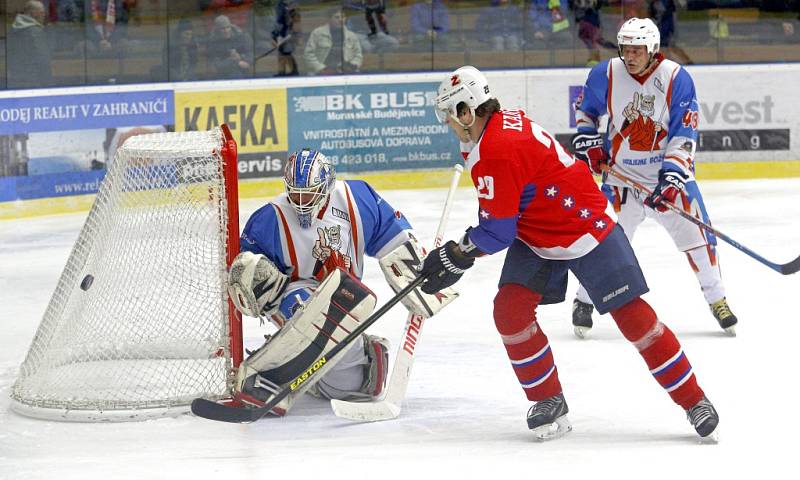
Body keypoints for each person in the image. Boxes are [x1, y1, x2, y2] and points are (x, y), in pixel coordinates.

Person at [418, 65, 720, 440]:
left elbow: (497, 231)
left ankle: (694, 400)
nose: (447, 123)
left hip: (585, 227)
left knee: (635, 319)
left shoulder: (495, 148)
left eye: (449, 114)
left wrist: (456, 254)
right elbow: (504, 213)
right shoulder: (493, 130)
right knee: (510, 311)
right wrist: (461, 251)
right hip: (536, 233)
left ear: (467, 110)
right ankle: (548, 399)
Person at [227, 149, 455, 415]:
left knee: (347, 387)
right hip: (295, 296)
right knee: (302, 303)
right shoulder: (270, 218)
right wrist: (252, 280)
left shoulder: (356, 199)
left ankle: (363, 357)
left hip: (346, 300)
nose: (301, 202)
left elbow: (395, 240)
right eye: (295, 193)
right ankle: (277, 372)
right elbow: (246, 275)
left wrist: (419, 274)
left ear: (326, 186)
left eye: (309, 193)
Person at [569, 17, 737, 338]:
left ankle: (718, 300)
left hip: (667, 180)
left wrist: (672, 177)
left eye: (637, 50)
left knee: (700, 240)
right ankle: (583, 300)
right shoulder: (605, 73)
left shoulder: (677, 78)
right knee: (603, 244)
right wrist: (589, 143)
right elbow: (586, 111)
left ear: (653, 49)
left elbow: (683, 130)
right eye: (625, 49)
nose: (630, 56)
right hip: (621, 180)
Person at [7, 0, 53, 89]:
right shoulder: (35, 32)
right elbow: (42, 59)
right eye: (42, 12)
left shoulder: (13, 29)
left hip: (16, 78)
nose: (44, 15)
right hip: (35, 82)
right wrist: (48, 83)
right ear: (33, 13)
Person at [303, 7, 362, 75]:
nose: (340, 20)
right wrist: (321, 68)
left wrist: (352, 66)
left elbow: (358, 55)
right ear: (329, 19)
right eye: (337, 17)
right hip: (321, 72)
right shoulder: (317, 33)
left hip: (346, 72)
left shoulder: (352, 36)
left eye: (343, 17)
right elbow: (308, 54)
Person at [207, 14, 254, 79]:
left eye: (228, 27)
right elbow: (215, 64)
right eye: (223, 29)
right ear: (218, 30)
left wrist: (247, 61)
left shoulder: (243, 36)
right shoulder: (213, 42)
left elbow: (251, 52)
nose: (226, 31)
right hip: (222, 73)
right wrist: (234, 61)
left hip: (243, 71)